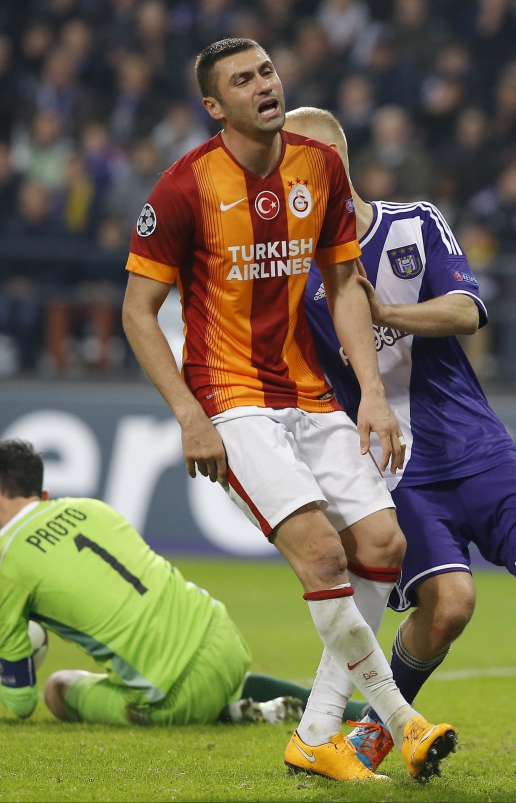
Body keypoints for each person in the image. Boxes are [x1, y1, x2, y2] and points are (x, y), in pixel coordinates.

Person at [122, 37, 456, 782]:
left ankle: (313, 735)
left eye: (267, 71)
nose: (263, 85)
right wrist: (188, 415)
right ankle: (402, 721)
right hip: (230, 398)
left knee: (384, 544)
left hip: (308, 391)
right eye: (243, 80)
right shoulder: (182, 188)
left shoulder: (320, 166)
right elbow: (137, 312)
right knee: (323, 554)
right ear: (215, 106)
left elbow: (343, 287)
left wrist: (371, 393)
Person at [284, 105, 516, 772]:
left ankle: (366, 729)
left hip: (478, 447)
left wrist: (383, 311)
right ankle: (378, 730)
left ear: (337, 163)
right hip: (396, 469)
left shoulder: (414, 222)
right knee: (449, 606)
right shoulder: (295, 279)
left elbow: (467, 309)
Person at [0, 438, 319, 728]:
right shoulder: (91, 508)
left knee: (57, 688)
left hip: (174, 693)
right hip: (226, 642)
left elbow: (21, 702)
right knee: (200, 669)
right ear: (44, 497)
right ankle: (322, 708)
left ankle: (222, 711)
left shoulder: (3, 567)